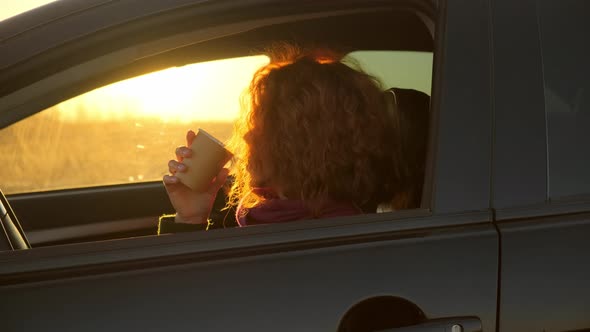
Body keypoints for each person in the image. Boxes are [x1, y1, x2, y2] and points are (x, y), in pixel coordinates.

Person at [158, 45, 402, 234]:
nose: (247, 134)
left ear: (302, 142)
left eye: (264, 126)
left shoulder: (330, 240)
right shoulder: (270, 219)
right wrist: (190, 218)